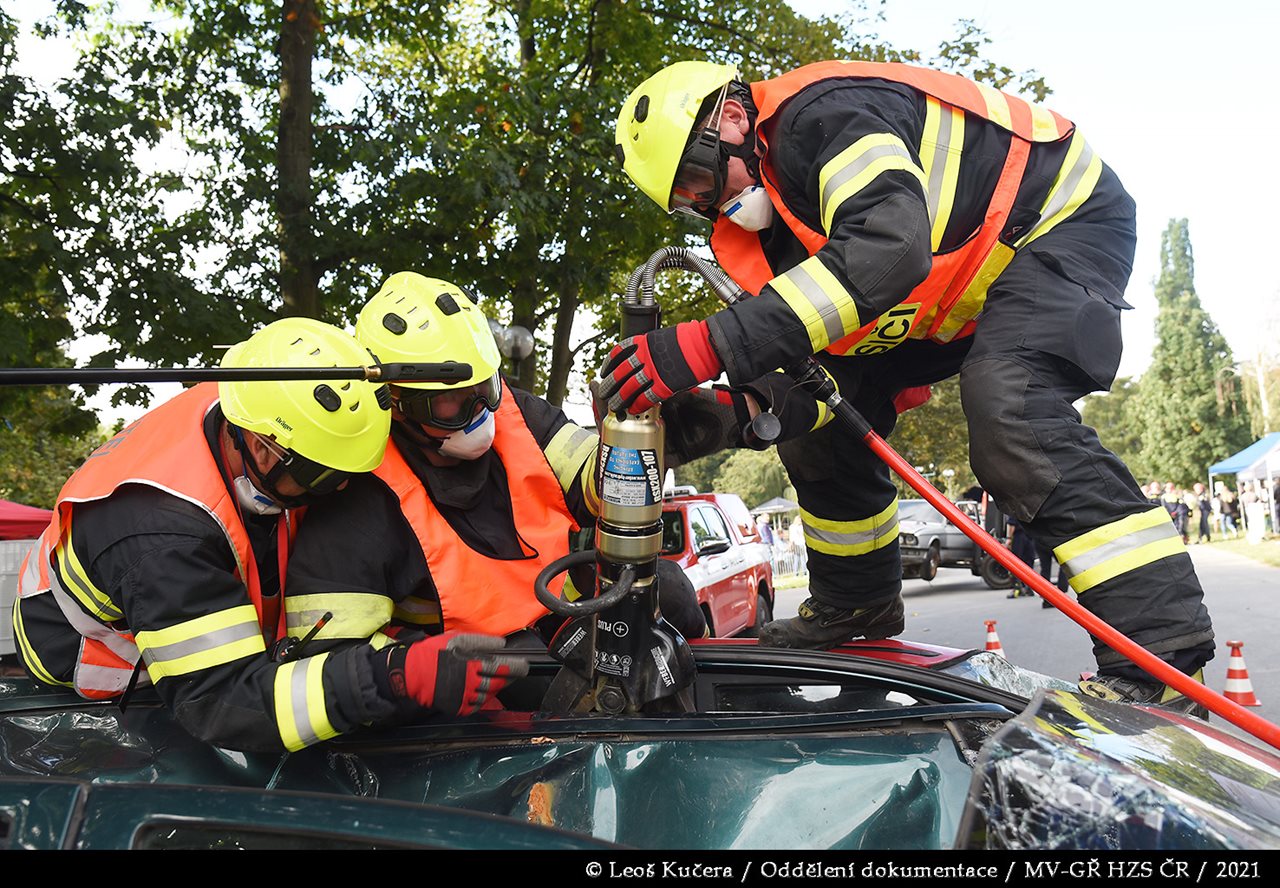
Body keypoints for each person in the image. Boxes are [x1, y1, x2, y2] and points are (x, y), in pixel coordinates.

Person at [603, 58, 1214, 710]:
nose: (707, 203)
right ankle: (856, 603)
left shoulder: (820, 119)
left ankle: (1161, 653)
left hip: (1053, 221)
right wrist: (742, 408)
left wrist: (708, 344)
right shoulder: (776, 229)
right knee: (819, 434)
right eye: (688, 201)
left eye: (699, 179)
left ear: (730, 118)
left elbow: (888, 249)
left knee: (1009, 409)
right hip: (953, 287)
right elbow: (834, 371)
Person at [11, 318, 526, 752]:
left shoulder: (260, 394)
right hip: (105, 676)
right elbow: (225, 701)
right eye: (323, 476)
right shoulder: (165, 538)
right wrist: (393, 677)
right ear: (261, 448)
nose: (340, 491)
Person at [285, 273, 708, 654]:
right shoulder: (362, 490)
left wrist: (628, 445)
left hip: (558, 627)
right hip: (463, 682)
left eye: (484, 387)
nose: (479, 411)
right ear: (396, 404)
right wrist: (414, 668)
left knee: (668, 591)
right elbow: (332, 654)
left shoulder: (518, 414)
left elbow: (594, 485)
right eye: (451, 401)